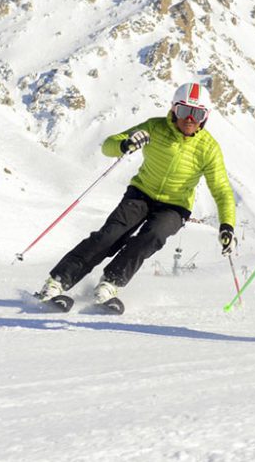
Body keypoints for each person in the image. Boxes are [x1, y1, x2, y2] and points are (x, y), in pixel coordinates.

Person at [37, 82, 237, 305]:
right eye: (184, 110)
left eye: (197, 113)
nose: (190, 118)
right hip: (141, 193)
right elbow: (109, 145)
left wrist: (227, 225)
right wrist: (125, 145)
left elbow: (221, 190)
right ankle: (57, 282)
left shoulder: (208, 148)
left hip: (175, 206)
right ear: (173, 109)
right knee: (110, 236)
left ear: (205, 117)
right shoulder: (155, 127)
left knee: (153, 236)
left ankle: (110, 283)